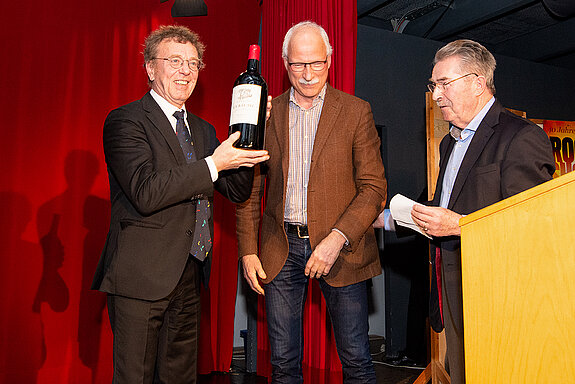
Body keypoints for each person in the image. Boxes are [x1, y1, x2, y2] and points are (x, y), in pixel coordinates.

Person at [91, 25, 269, 383]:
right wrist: (214, 164)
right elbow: (146, 191)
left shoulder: (202, 130)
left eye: (193, 63)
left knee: (180, 378)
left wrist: (252, 136)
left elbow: (236, 191)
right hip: (141, 277)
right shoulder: (126, 120)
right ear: (149, 68)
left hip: (190, 273)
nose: (186, 70)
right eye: (175, 61)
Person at [236, 21, 387, 383]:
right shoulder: (265, 114)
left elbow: (374, 187)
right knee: (283, 365)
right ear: (285, 63)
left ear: (330, 61)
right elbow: (249, 187)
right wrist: (247, 249)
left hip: (343, 249)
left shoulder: (355, 111)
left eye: (315, 63)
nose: (307, 75)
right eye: (298, 65)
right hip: (280, 248)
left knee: (356, 361)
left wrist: (336, 238)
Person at [410, 39, 555, 383]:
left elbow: (532, 223)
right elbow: (450, 205)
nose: (436, 95)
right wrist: (394, 218)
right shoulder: (449, 142)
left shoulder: (522, 137)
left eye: (444, 84)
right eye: (434, 85)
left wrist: (460, 226)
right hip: (453, 286)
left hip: (499, 291)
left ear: (478, 82)